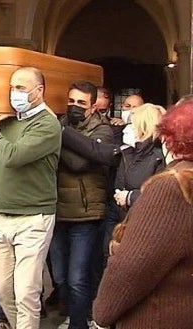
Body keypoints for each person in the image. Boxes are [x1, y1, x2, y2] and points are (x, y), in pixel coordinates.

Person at [0, 66, 62, 329]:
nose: (15, 93)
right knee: (2, 291)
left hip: (33, 218)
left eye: (21, 88)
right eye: (12, 87)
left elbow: (12, 157)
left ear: (39, 91)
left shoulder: (48, 123)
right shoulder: (8, 121)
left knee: (26, 293)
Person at [93, 100, 193, 328]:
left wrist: (102, 314)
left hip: (162, 317)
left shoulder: (173, 187)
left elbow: (132, 268)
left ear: (170, 139)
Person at [50, 81, 113, 329]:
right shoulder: (59, 123)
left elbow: (79, 164)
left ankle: (79, 323)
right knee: (60, 278)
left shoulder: (103, 130)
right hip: (57, 211)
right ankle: (74, 313)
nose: (74, 107)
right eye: (72, 101)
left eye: (81, 103)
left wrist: (58, 136)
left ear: (93, 106)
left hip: (86, 213)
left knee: (77, 278)